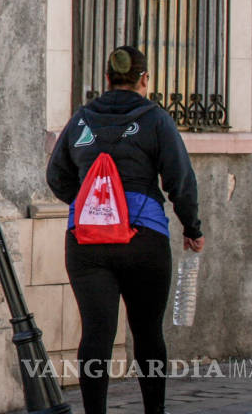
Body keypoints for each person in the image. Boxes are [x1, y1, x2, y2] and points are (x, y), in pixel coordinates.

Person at [46, 46, 204, 414]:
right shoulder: (156, 119)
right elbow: (180, 179)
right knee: (148, 331)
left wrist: (93, 205)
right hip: (143, 238)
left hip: (86, 241)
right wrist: (191, 226)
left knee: (96, 332)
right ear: (145, 80)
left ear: (106, 79)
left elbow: (56, 175)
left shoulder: (82, 119)